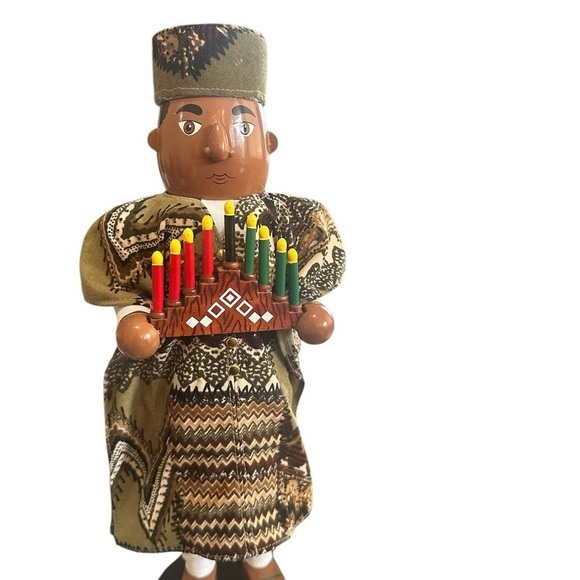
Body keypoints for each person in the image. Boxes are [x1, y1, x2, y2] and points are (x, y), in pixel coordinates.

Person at [80, 24, 345, 580]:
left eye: (242, 125)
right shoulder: (133, 225)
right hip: (181, 387)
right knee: (192, 479)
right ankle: (197, 567)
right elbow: (124, 289)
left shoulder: (294, 219)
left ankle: (260, 558)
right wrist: (132, 318)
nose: (219, 145)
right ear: (157, 140)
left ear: (269, 141)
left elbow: (308, 291)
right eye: (190, 124)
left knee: (262, 476)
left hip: (262, 387)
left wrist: (309, 313)